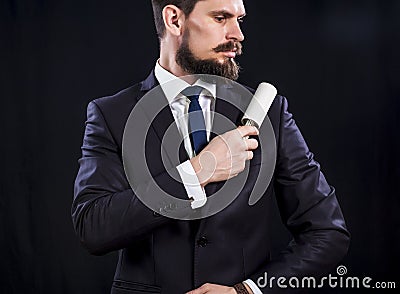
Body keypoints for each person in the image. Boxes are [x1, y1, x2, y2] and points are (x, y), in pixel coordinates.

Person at [72, 0, 350, 293]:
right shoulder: (112, 114)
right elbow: (93, 228)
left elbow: (327, 232)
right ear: (175, 20)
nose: (238, 34)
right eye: (221, 18)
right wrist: (196, 173)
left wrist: (247, 291)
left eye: (239, 19)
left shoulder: (271, 114)